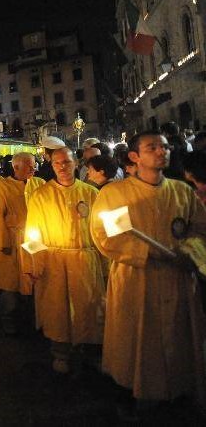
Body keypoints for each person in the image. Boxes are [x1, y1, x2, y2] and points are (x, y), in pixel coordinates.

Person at [91, 132, 206, 414]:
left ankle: (179, 390)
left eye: (165, 147)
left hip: (178, 278)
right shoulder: (115, 194)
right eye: (152, 147)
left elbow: (199, 230)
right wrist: (148, 253)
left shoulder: (182, 192)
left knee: (179, 338)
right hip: (136, 278)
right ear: (134, 156)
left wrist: (190, 251)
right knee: (139, 340)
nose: (161, 152)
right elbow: (106, 236)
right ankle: (135, 390)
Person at [25, 147, 106, 374]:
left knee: (89, 307)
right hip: (54, 262)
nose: (62, 167)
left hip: (85, 259)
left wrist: (106, 264)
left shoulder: (91, 193)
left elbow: (101, 233)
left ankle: (89, 350)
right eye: (57, 163)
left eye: (67, 162)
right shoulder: (41, 195)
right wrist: (35, 264)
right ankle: (60, 352)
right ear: (52, 166)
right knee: (57, 309)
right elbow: (32, 233)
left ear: (76, 164)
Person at [0, 152, 45, 333]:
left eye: (34, 165)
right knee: (11, 283)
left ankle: (36, 318)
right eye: (29, 166)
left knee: (36, 279)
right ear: (16, 167)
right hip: (13, 239)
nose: (33, 168)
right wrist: (4, 242)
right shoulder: (3, 187)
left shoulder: (40, 184)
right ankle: (8, 319)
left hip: (35, 239)